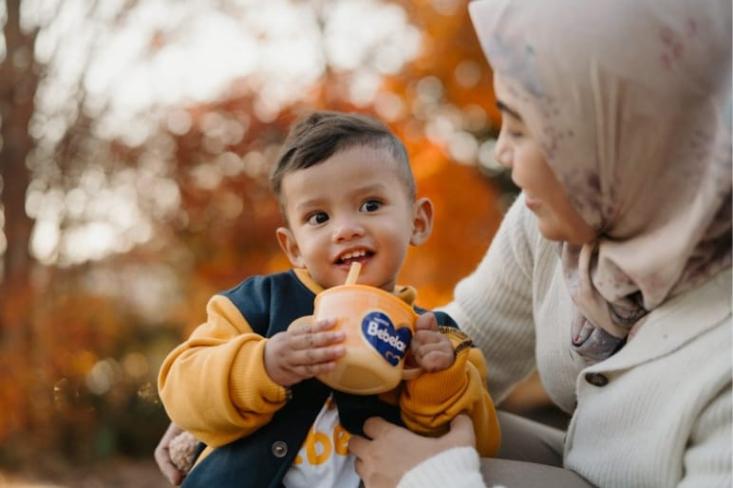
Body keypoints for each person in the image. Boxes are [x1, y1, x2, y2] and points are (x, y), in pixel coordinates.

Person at [348, 0, 732, 486]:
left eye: (521, 127)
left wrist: (434, 479)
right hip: (581, 465)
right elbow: (467, 341)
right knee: (379, 422)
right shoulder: (564, 226)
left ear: (618, 146)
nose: (502, 149)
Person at [157, 111, 501, 487]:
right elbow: (180, 388)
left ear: (417, 222)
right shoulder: (256, 305)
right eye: (319, 217)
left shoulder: (440, 339)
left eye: (370, 205)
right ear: (293, 248)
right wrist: (263, 365)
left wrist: (437, 379)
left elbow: (476, 448)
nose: (346, 229)